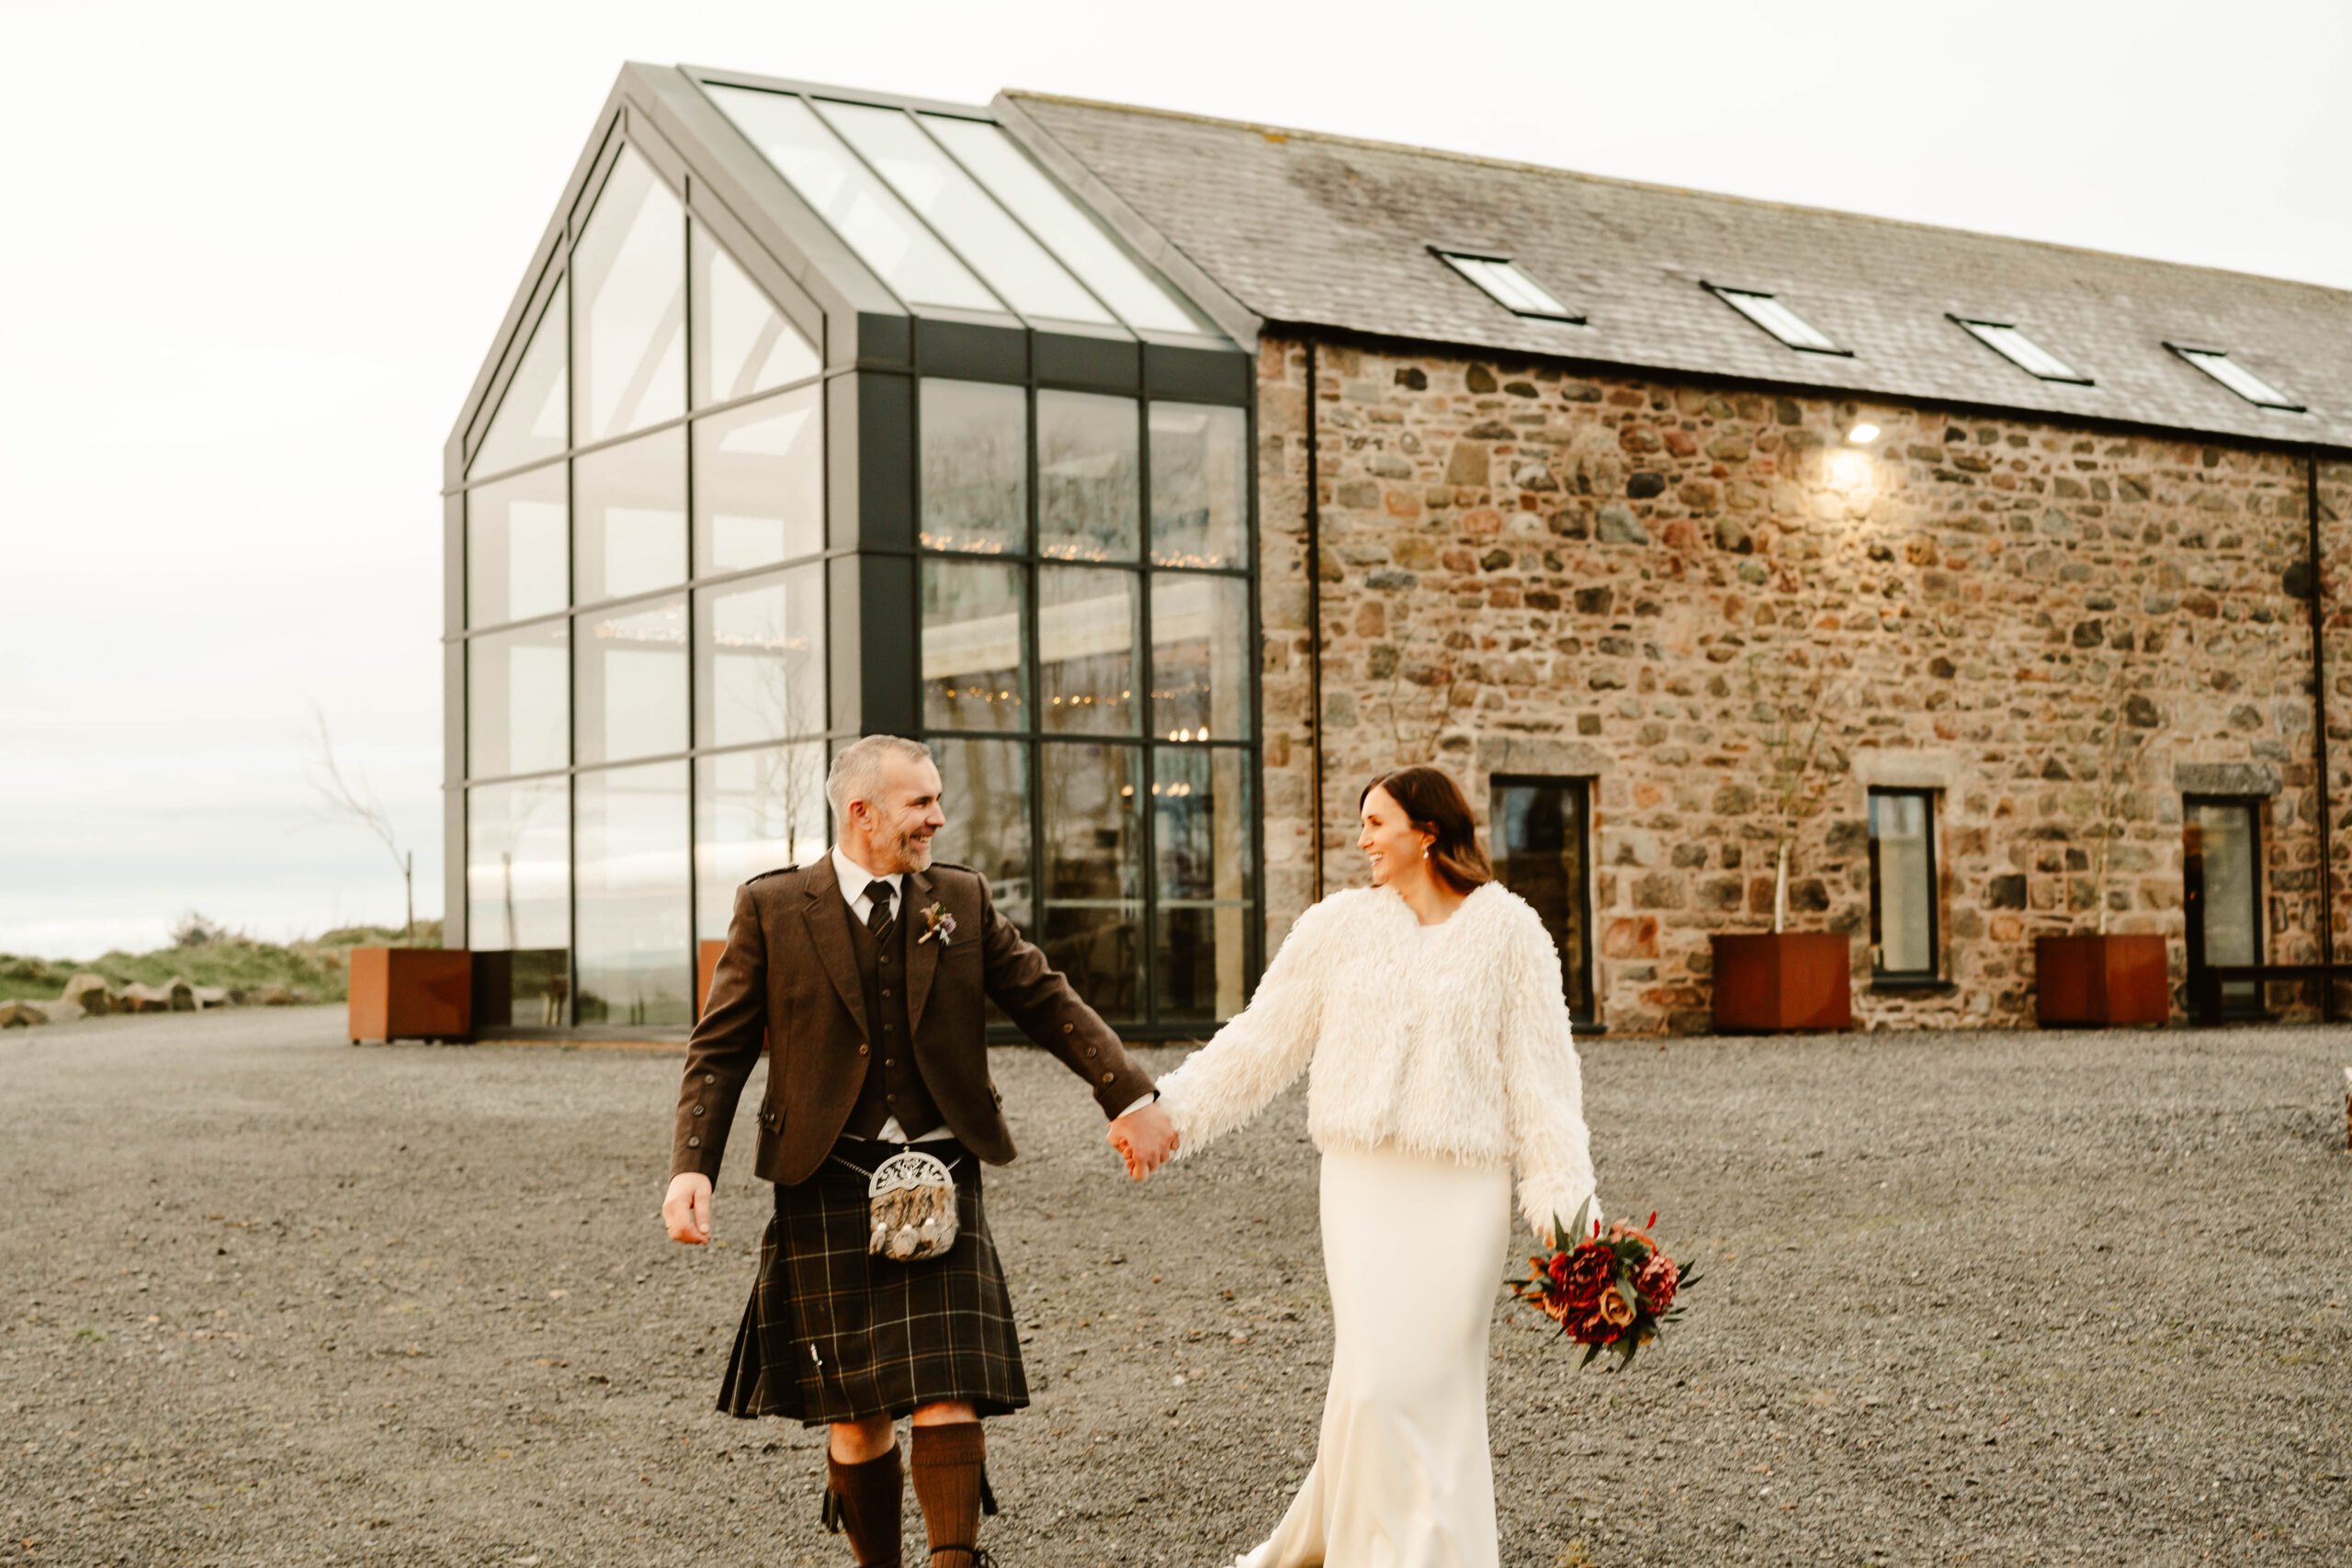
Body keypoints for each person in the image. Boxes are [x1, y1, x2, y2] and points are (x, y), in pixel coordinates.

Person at [661, 734, 1181, 1568]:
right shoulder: (773, 907)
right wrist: (693, 1165)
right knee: (858, 1411)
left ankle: (954, 1561)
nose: (938, 817)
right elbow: (719, 1048)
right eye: (920, 803)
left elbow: (1045, 997)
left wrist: (1127, 1093)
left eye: (938, 798)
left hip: (942, 1168)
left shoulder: (960, 900)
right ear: (861, 812)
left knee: (947, 1392)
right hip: (826, 1176)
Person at [1151, 763, 1602, 1568]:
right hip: (1362, 1187)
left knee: (1429, 1388)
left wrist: (1571, 1214)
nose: (1361, 839)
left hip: (1462, 1192)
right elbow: (1261, 1041)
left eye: (1376, 823)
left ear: (1428, 831)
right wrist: (1172, 1110)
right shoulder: (1336, 926)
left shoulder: (1511, 931)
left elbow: (1543, 1082)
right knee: (1370, 1384)